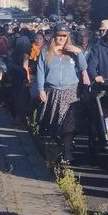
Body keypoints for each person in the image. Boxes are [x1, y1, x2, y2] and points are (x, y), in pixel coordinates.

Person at [36, 24, 88, 163]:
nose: (61, 38)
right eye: (59, 35)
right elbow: (40, 70)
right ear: (54, 36)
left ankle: (67, 152)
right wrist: (40, 89)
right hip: (52, 91)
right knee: (54, 124)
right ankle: (57, 149)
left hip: (70, 91)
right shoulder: (46, 51)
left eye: (64, 36)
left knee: (68, 125)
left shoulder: (72, 50)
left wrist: (79, 52)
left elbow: (83, 67)